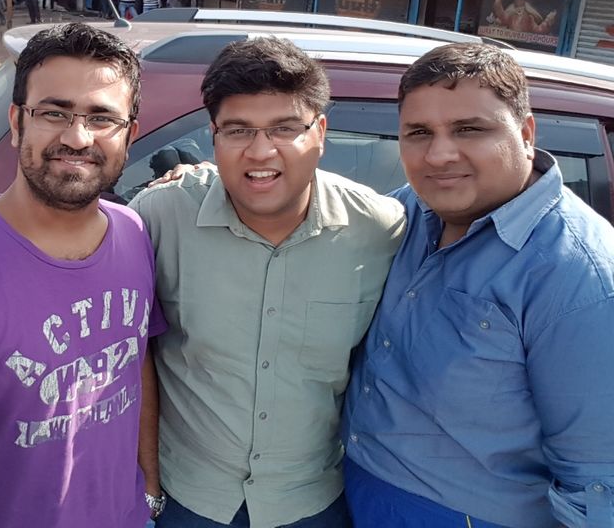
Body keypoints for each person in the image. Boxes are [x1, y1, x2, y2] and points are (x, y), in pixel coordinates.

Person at [129, 37, 405, 528]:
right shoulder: (160, 216)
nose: (260, 151)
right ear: (213, 136)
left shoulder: (382, 230)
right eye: (238, 130)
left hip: (314, 502)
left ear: (320, 131)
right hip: (186, 500)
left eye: (284, 128)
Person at [342, 43, 614, 528]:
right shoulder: (408, 210)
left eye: (470, 129)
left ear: (526, 133)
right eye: (419, 133)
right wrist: (208, 179)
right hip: (352, 490)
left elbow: (597, 478)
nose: (440, 154)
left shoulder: (580, 276)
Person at [0, 22, 167, 528]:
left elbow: (134, 357)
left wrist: (149, 486)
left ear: (130, 135)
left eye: (102, 118)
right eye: (53, 112)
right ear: (17, 122)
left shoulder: (134, 231)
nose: (77, 137)